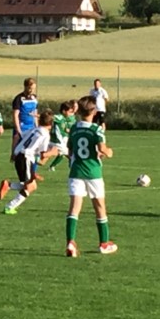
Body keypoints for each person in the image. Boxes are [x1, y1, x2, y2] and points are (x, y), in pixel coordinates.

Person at [63, 97, 116, 257]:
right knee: (99, 207)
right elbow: (102, 149)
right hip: (93, 173)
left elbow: (70, 150)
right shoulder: (96, 130)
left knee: (74, 208)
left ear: (78, 112)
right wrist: (108, 152)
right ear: (93, 112)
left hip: (76, 172)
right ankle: (104, 243)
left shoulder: (74, 129)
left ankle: (71, 242)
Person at [1, 109, 53, 215]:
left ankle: (9, 186)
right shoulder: (45, 134)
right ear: (51, 124)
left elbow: (17, 136)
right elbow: (43, 154)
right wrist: (53, 152)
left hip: (19, 156)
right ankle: (9, 206)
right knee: (30, 186)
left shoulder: (33, 130)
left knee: (29, 184)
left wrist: (13, 152)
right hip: (26, 158)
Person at [43, 99, 77, 171]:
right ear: (64, 111)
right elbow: (49, 117)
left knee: (44, 160)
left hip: (56, 141)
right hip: (58, 141)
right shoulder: (60, 117)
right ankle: (74, 169)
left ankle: (49, 165)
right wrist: (38, 115)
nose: (71, 113)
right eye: (69, 111)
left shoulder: (64, 118)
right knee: (70, 155)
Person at [11, 77, 40, 146]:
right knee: (17, 151)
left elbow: (35, 113)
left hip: (32, 127)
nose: (32, 90)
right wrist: (18, 130)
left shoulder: (34, 98)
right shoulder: (19, 98)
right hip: (22, 127)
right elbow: (15, 115)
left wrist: (37, 126)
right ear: (25, 86)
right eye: (30, 88)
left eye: (33, 88)